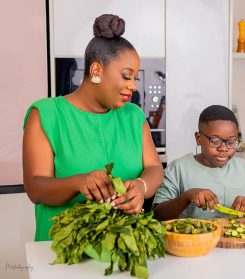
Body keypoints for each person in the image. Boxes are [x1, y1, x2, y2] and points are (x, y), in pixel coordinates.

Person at [23, 14, 163, 241]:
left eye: (135, 77)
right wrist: (78, 182)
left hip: (125, 246)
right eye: (127, 76)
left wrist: (141, 186)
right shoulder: (47, 115)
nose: (133, 86)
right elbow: (35, 188)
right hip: (62, 249)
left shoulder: (133, 116)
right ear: (97, 70)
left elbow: (155, 167)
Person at [152, 105, 245, 220]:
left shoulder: (243, 168)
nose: (223, 148)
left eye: (231, 142)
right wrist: (187, 196)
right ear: (198, 138)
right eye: (215, 141)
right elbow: (157, 215)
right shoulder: (178, 168)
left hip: (233, 238)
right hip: (193, 238)